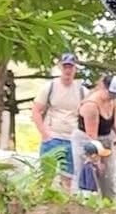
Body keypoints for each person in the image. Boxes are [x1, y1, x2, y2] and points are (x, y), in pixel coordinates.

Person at [31, 53, 85, 191]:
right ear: (60, 67)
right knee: (46, 176)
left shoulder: (81, 91)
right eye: (65, 66)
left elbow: (88, 114)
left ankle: (65, 208)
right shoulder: (49, 88)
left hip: (71, 139)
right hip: (53, 136)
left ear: (75, 69)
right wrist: (44, 133)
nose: (68, 70)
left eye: (71, 67)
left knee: (67, 179)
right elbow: (36, 110)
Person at [73, 72, 116, 198]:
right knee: (90, 175)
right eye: (110, 94)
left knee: (108, 176)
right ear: (104, 88)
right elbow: (92, 136)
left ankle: (109, 203)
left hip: (106, 138)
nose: (112, 97)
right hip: (87, 141)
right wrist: (96, 159)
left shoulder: (112, 101)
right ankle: (86, 206)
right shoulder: (91, 105)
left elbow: (114, 118)